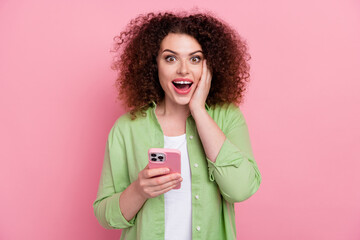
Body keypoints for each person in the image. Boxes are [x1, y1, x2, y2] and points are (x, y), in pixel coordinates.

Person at [93, 11, 261, 240]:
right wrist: (139, 190)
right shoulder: (127, 128)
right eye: (171, 58)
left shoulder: (227, 118)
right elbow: (105, 215)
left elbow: (240, 189)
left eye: (195, 59)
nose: (183, 69)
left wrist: (199, 111)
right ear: (155, 65)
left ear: (208, 67)